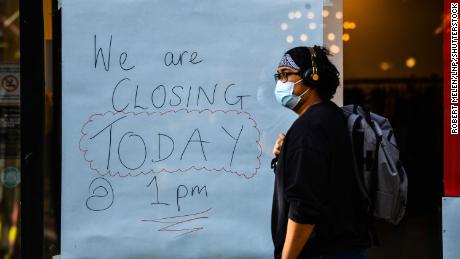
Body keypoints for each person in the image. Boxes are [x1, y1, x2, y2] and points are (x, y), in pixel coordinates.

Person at [271, 46, 371, 259]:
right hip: (345, 247)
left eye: (286, 74)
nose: (281, 82)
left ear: (311, 77)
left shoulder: (309, 128)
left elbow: (304, 205)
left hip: (322, 251)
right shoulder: (331, 117)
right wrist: (288, 153)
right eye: (278, 76)